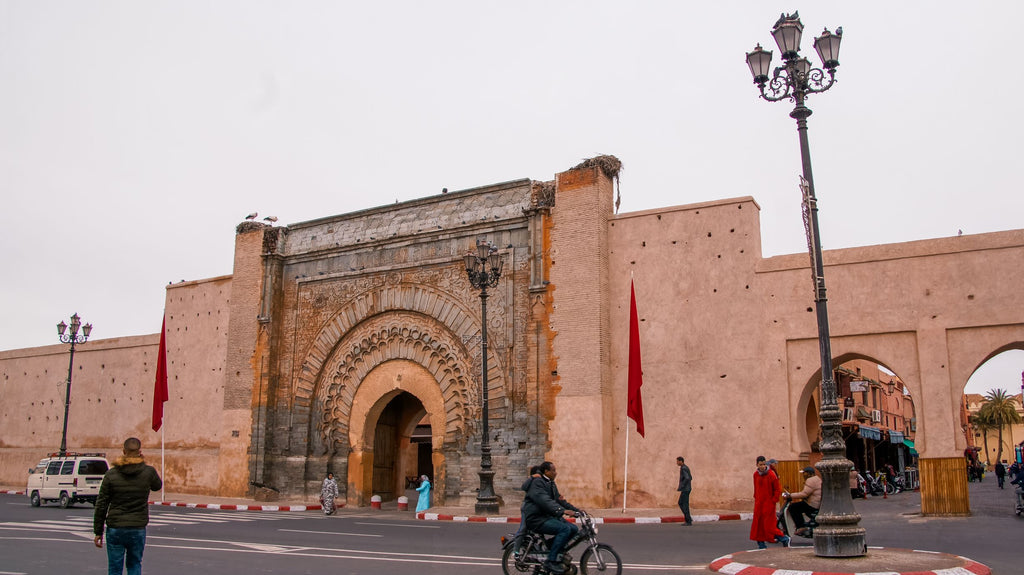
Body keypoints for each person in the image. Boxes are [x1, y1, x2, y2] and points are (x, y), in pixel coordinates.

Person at [93, 437, 163, 575]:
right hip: (137, 527)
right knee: (134, 564)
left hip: (116, 527)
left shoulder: (111, 474)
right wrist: (143, 463)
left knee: (114, 567)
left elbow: (101, 504)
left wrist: (98, 531)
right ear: (140, 452)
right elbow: (157, 486)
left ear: (123, 451)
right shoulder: (148, 472)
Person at [522, 461, 580, 574]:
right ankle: (551, 561)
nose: (556, 473)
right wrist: (562, 511)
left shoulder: (551, 483)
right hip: (536, 519)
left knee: (574, 529)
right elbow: (545, 501)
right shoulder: (538, 483)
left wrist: (577, 510)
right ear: (546, 471)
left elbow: (559, 500)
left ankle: (552, 547)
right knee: (565, 529)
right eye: (553, 470)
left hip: (547, 516)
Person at [750, 456, 789, 549]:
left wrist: (773, 501)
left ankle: (783, 538)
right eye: (760, 465)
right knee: (758, 525)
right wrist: (756, 498)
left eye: (764, 464)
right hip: (759, 504)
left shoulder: (771, 475)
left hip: (768, 504)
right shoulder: (755, 475)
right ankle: (761, 544)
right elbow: (756, 488)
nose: (763, 466)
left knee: (769, 526)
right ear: (757, 465)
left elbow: (777, 489)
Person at [784, 466, 821, 536]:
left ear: (809, 474)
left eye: (804, 473)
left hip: (812, 504)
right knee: (799, 505)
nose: (803, 475)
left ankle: (800, 526)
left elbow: (804, 494)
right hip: (816, 503)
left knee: (793, 507)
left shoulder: (811, 480)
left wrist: (791, 496)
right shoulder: (817, 479)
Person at [676, 456, 693, 526]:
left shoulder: (683, 468)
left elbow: (687, 478)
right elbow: (691, 477)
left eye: (677, 461)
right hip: (687, 489)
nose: (676, 463)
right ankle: (688, 518)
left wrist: (682, 486)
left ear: (681, 461)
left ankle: (688, 520)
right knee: (681, 503)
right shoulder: (686, 467)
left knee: (683, 504)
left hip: (685, 489)